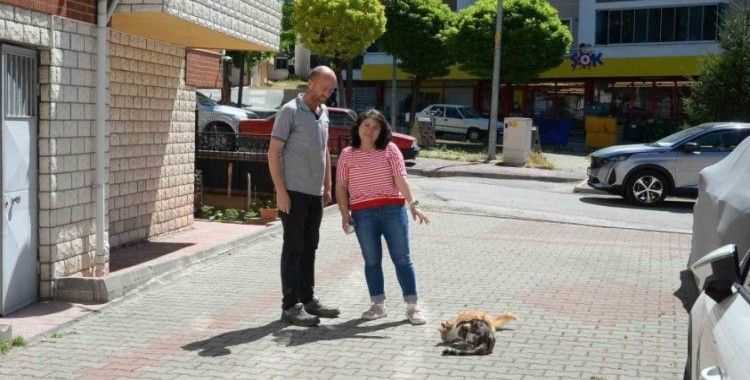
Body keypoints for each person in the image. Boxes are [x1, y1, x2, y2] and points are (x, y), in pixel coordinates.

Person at [335, 109, 430, 325]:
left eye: (375, 127)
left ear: (382, 130)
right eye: (366, 125)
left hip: (392, 211)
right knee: (371, 260)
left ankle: (412, 307)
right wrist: (344, 214)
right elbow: (341, 186)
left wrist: (413, 205)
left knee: (402, 259)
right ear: (358, 127)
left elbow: (401, 179)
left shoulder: (390, 150)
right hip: (362, 214)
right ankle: (378, 306)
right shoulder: (347, 154)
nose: (370, 130)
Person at [268, 66, 340, 327]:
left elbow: (323, 152)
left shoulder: (324, 113)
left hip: (315, 193)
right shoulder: (289, 111)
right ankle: (289, 306)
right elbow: (273, 152)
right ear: (310, 83)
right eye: (324, 87)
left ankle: (308, 300)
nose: (327, 93)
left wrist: (328, 186)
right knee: (293, 248)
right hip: (293, 193)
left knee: (310, 247)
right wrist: (280, 191)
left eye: (331, 89)